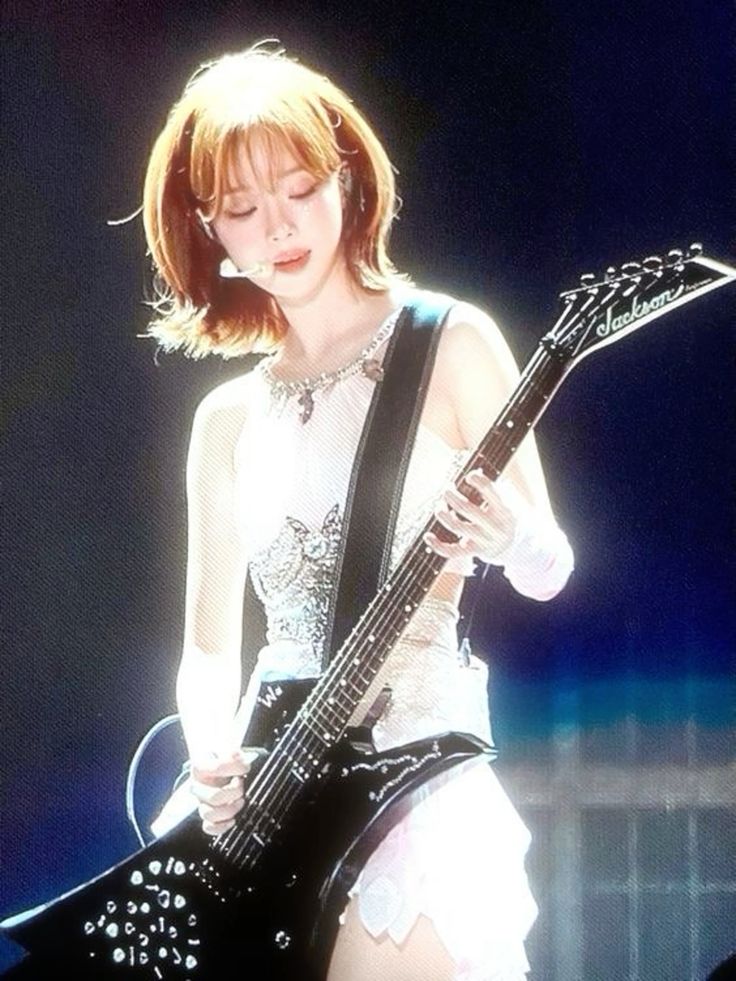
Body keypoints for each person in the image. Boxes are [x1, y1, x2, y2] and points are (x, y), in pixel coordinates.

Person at [142, 42, 574, 981]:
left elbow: (551, 570)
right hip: (268, 790)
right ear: (210, 228)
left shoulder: (452, 341)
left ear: (346, 180)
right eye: (244, 209)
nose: (279, 227)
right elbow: (211, 644)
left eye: (298, 189)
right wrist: (210, 745)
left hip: (415, 786)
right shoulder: (226, 419)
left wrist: (513, 537)